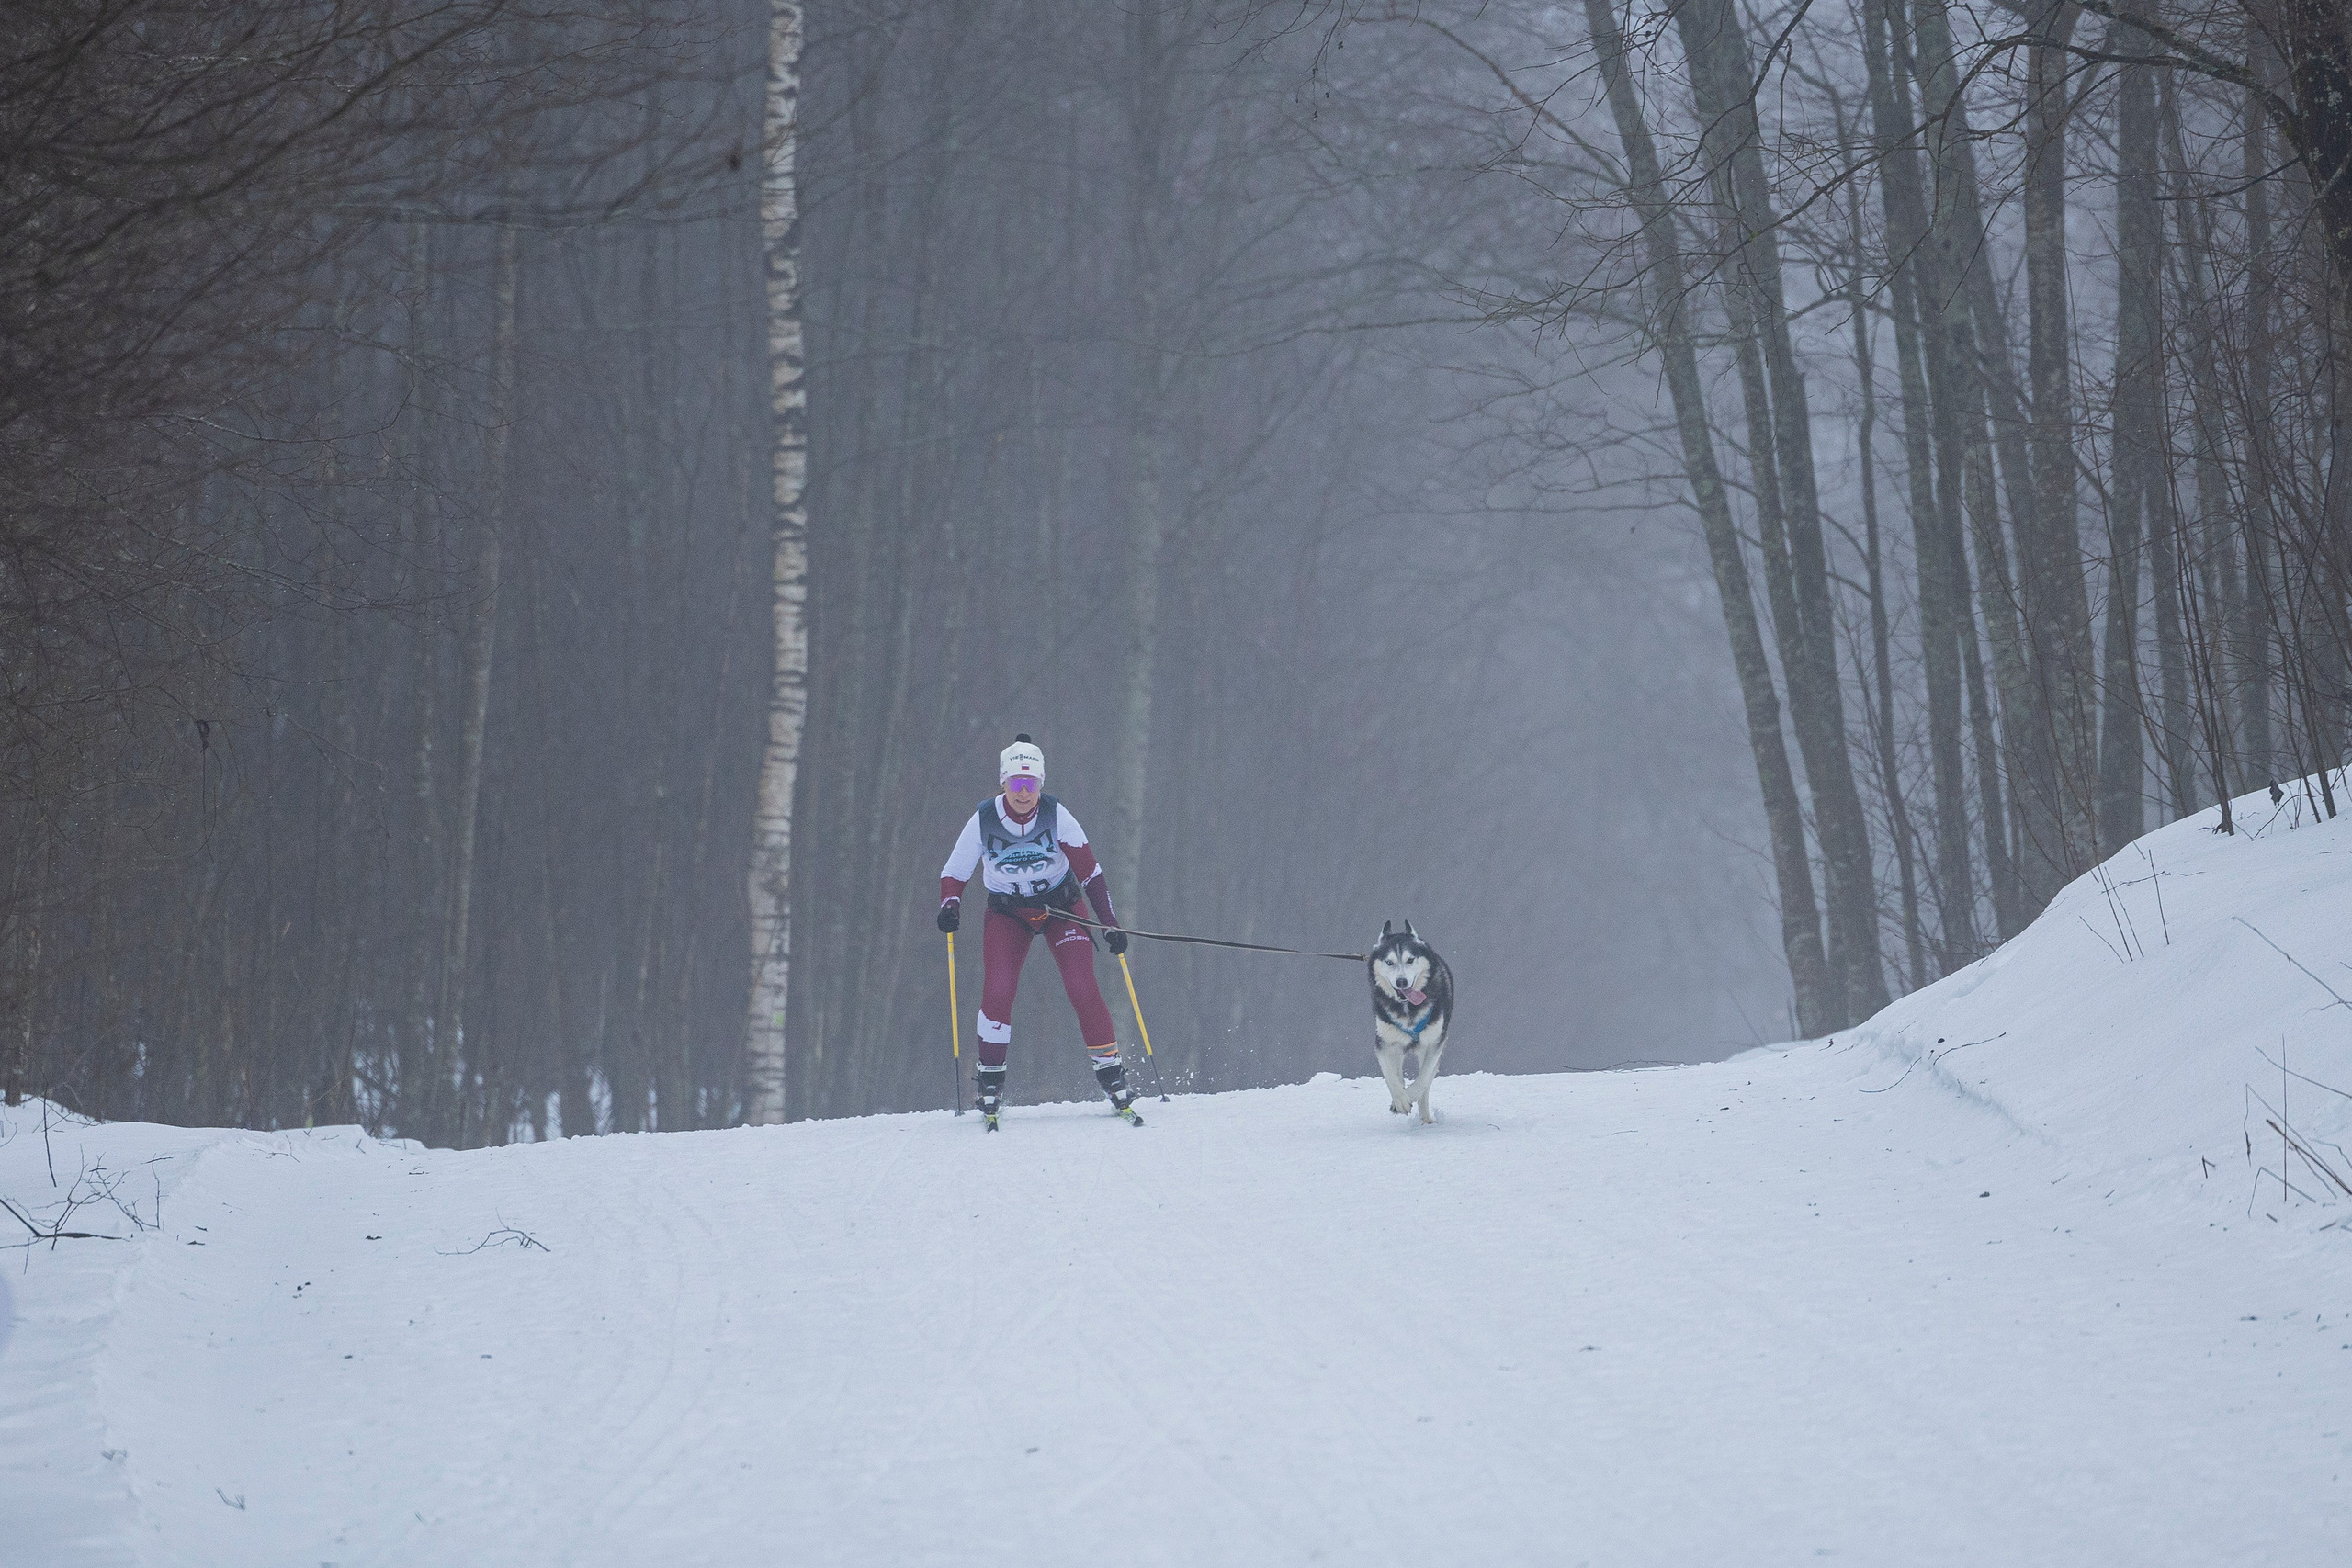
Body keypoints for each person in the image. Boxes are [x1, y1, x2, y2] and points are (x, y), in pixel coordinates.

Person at [936, 734, 1138, 1127]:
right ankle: (990, 1079)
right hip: (1008, 914)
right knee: (998, 989)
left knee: (1082, 985)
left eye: (1031, 784)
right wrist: (950, 904)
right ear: (1003, 782)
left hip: (1062, 908)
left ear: (1041, 784)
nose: (1024, 793)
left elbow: (1091, 873)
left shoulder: (1056, 814)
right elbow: (954, 872)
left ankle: (1112, 1074)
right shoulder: (984, 818)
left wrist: (1109, 924)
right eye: (1016, 784)